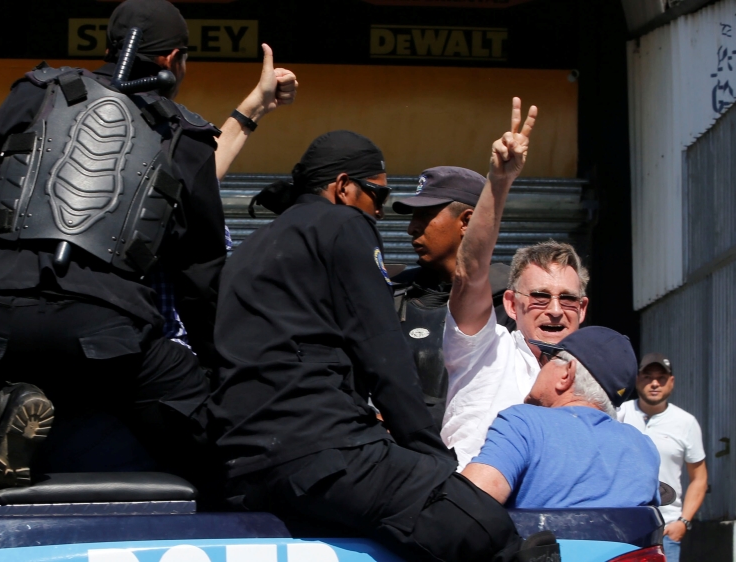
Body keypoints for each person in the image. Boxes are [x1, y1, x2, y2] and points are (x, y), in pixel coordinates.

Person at [0, 0, 293, 513]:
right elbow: (202, 280)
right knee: (207, 428)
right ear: (175, 59)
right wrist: (219, 370)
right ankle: (230, 523)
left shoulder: (36, 92)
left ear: (109, 48)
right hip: (106, 335)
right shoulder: (188, 134)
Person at [210, 120, 560, 561]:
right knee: (487, 530)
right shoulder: (342, 225)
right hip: (323, 453)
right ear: (342, 187)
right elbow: (383, 356)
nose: (378, 212)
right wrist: (435, 463)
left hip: (247, 468)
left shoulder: (248, 250)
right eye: (376, 194)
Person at [444, 158, 590, 468]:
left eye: (567, 299)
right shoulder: (484, 349)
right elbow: (470, 270)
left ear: (582, 308)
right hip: (472, 508)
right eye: (539, 296)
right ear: (511, 304)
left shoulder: (595, 374)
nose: (554, 310)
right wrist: (498, 181)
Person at [463, 326, 660, 509]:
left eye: (548, 358)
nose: (540, 366)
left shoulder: (524, 423)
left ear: (567, 373)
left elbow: (467, 508)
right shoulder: (644, 447)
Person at [389, 166, 516, 428]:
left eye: (425, 216)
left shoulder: (511, 300)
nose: (412, 228)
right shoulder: (392, 292)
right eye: (413, 217)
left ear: (467, 221)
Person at [619, 353, 708, 562]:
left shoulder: (686, 422)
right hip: (622, 528)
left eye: (661, 378)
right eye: (648, 377)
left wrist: (683, 522)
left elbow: (699, 478)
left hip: (666, 531)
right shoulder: (618, 413)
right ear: (637, 379)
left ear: (672, 382)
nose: (654, 383)